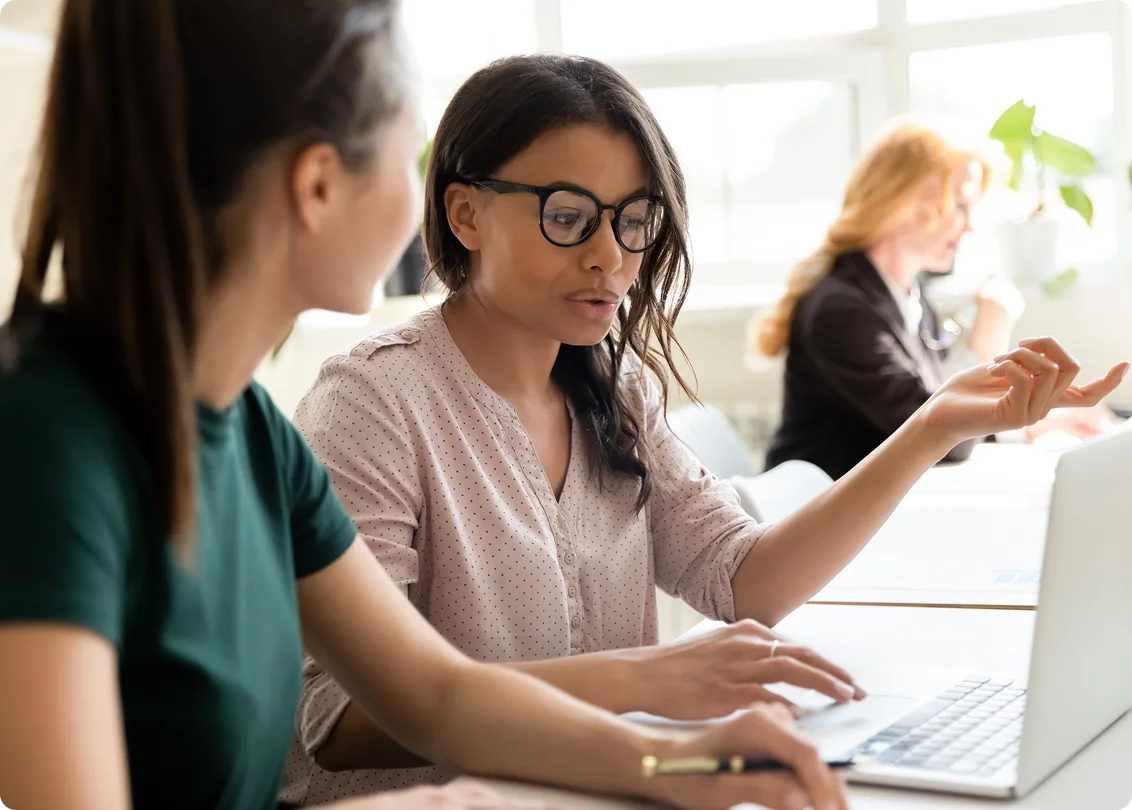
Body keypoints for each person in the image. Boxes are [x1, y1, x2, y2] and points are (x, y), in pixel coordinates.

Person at [0, 4, 867, 810]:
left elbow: (438, 698)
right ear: (318, 184)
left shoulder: (255, 436)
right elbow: (347, 725)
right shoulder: (47, 445)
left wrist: (691, 763)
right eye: (410, 144)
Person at [282, 55, 1127, 805]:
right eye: (569, 215)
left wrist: (933, 424)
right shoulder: (373, 404)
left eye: (635, 220)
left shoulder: (614, 388)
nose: (612, 256)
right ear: (465, 215)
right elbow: (341, 722)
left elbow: (745, 579)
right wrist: (642, 679)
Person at [756, 122, 1116, 480]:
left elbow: (932, 410)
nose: (970, 224)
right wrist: (988, 337)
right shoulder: (840, 312)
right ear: (902, 200)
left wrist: (1036, 423)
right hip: (813, 519)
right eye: (960, 204)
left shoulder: (908, 298)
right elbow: (943, 438)